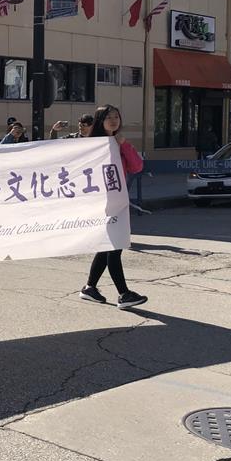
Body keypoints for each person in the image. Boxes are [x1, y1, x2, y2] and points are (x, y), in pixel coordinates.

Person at [80, 104, 147, 310]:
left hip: (118, 201)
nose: (114, 120)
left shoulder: (119, 142)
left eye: (117, 116)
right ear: (100, 121)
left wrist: (124, 145)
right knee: (114, 246)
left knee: (108, 246)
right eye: (109, 117)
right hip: (103, 203)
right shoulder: (94, 145)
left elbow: (137, 166)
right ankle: (124, 294)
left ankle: (89, 287)